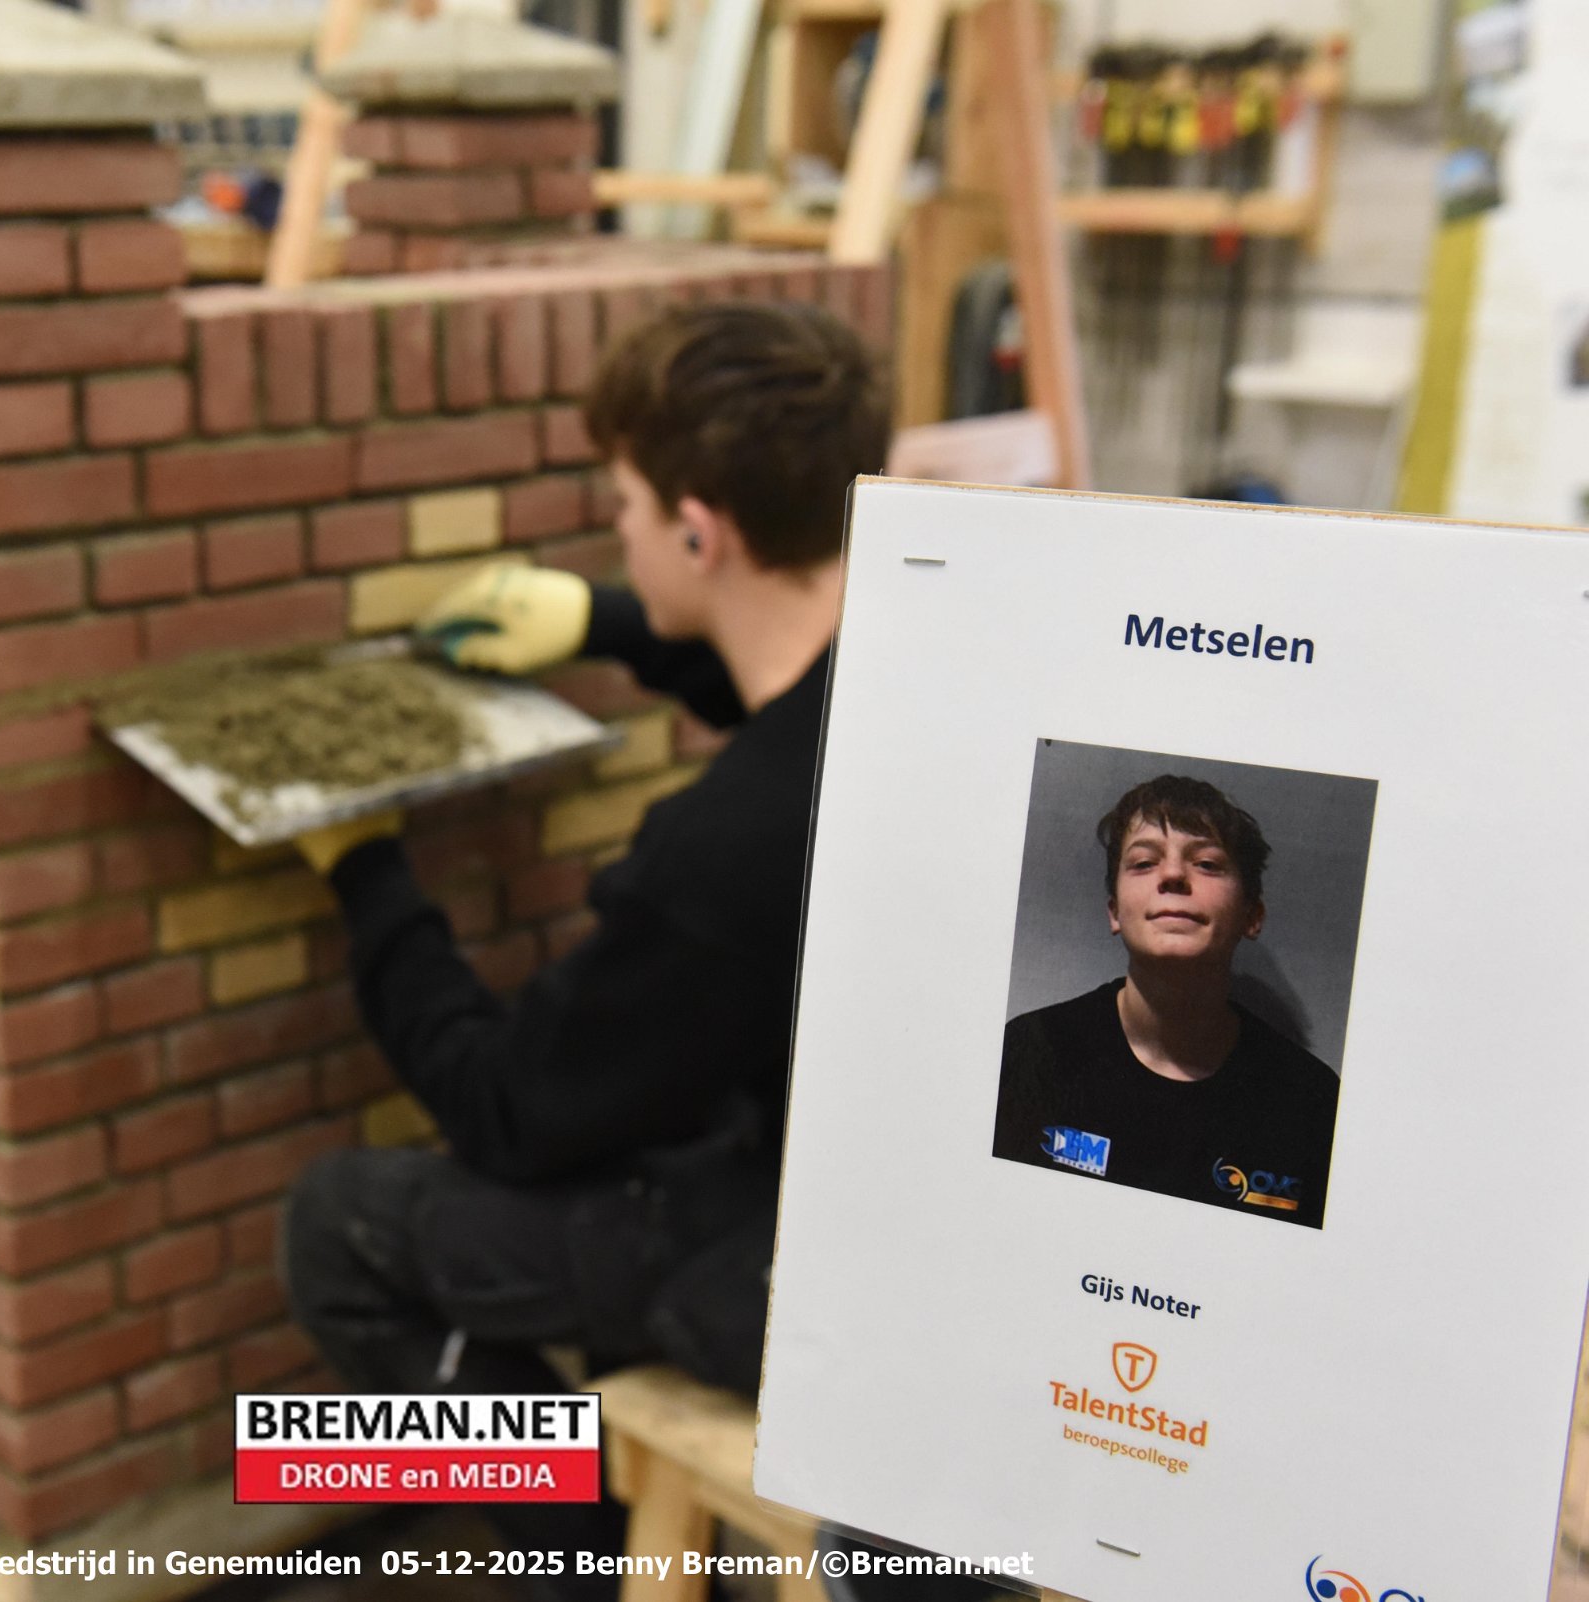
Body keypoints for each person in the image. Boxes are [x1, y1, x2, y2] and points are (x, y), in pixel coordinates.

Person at [278, 301, 887, 1589]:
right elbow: (792, 700)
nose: (616, 528)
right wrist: (606, 620)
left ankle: (596, 1562)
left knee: (337, 1226)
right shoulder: (920, 670)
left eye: (622, 506)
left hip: (792, 1275)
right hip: (885, 1212)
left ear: (698, 529)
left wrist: (365, 867)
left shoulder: (718, 856)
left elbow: (505, 1110)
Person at [992, 775, 1342, 1228]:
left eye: (1207, 863)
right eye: (1143, 862)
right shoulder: (1029, 1053)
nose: (1173, 875)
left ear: (1252, 915)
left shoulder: (1313, 1104)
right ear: (1115, 912)